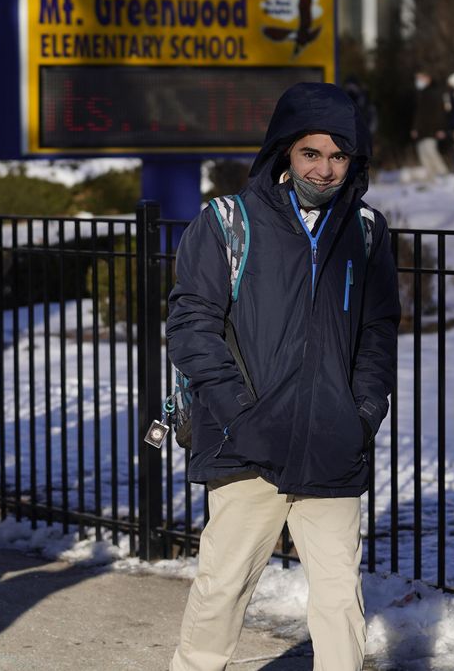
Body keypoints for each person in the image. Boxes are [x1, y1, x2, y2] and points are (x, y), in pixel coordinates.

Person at [166, 82, 400, 671]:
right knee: (221, 592)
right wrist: (241, 415)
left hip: (333, 443)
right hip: (244, 444)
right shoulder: (228, 223)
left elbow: (378, 331)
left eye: (338, 156)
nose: (324, 170)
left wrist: (363, 413)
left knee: (340, 600)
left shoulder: (367, 232)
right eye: (311, 154)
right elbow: (191, 326)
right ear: (284, 153)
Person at [410, 70, 449, 179]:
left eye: (419, 78)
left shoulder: (435, 92)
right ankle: (432, 177)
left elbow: (440, 112)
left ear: (427, 78)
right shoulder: (421, 93)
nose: (417, 81)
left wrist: (441, 128)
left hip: (432, 129)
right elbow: (419, 114)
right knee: (423, 153)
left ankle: (444, 175)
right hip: (422, 130)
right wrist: (415, 128)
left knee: (431, 152)